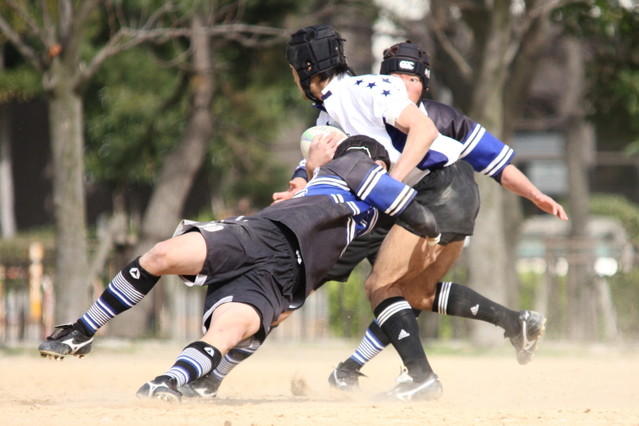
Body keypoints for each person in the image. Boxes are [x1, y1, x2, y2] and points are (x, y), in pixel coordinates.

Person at [179, 31, 568, 401]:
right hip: (396, 202)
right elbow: (313, 159)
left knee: (379, 286)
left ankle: (417, 378)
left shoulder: (405, 106)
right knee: (411, 292)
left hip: (435, 192)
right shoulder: (335, 111)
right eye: (395, 75)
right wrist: (298, 187)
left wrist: (533, 194)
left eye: (410, 77)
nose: (401, 83)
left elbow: (487, 159)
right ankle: (506, 325)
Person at [37, 136, 440, 401]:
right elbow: (418, 215)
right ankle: (82, 330)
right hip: (262, 234)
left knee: (225, 334)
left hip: (282, 275)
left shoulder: (363, 204)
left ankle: (175, 382)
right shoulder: (355, 165)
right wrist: (435, 234)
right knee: (162, 255)